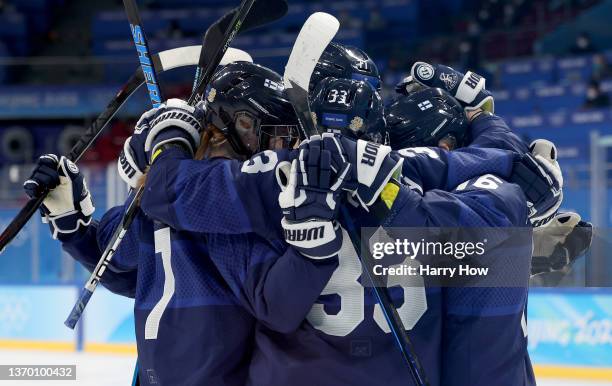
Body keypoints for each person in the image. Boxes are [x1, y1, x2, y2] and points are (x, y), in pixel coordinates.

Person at [24, 62, 343, 386]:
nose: (279, 149)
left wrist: (76, 231)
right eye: (273, 135)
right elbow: (124, 267)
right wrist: (76, 229)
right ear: (243, 124)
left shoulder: (163, 199)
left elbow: (117, 264)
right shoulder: (222, 211)